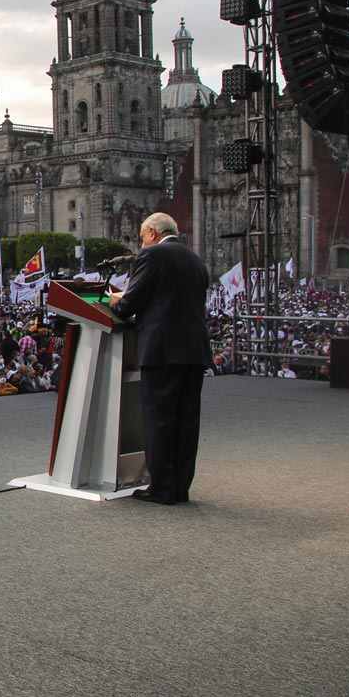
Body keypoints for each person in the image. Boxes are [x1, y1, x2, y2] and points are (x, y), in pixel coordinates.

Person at [108, 212, 211, 505]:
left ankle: (162, 488)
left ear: (152, 232)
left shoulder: (153, 255)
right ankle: (180, 487)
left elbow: (129, 305)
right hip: (194, 351)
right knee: (187, 421)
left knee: (160, 419)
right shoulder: (194, 259)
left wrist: (117, 300)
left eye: (142, 237)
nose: (141, 243)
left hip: (164, 351)